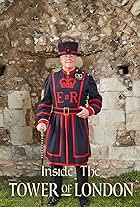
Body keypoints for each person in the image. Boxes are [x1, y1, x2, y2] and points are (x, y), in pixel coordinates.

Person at [36, 41, 102, 207]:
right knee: (56, 162)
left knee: (81, 162)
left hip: (77, 122)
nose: (68, 58)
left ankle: (83, 196)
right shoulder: (52, 79)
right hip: (56, 123)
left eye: (71, 56)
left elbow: (96, 100)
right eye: (65, 56)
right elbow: (45, 102)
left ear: (75, 58)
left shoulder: (86, 78)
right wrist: (42, 120)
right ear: (61, 59)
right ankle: (55, 194)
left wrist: (89, 110)